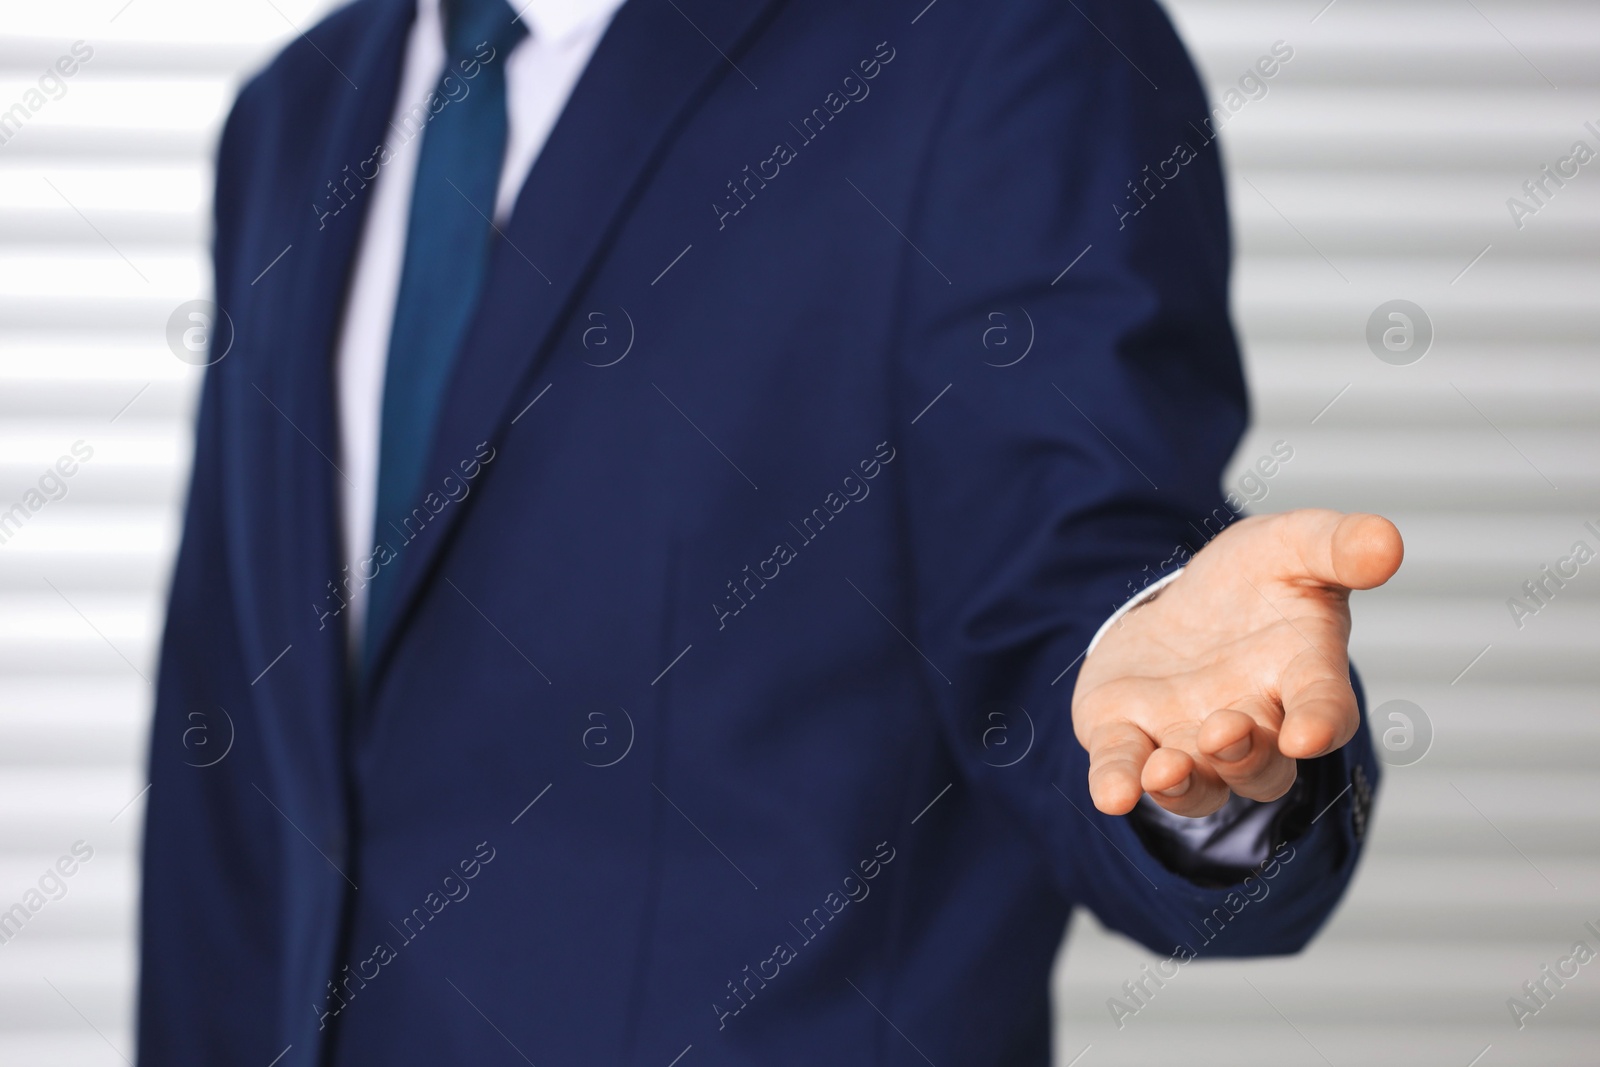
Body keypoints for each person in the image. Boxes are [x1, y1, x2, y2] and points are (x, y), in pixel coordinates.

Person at [137, 0, 1403, 1063]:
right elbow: (234, 728)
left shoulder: (998, 45)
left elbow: (1069, 578)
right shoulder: (297, 111)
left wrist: (1213, 753)